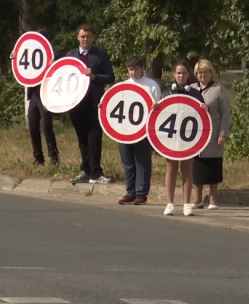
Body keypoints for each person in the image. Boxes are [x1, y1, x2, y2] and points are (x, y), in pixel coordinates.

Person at [105, 56, 161, 205]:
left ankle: (141, 193)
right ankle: (130, 192)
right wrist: (103, 107)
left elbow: (158, 107)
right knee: (128, 162)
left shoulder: (151, 85)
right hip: (124, 130)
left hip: (143, 130)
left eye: (136, 69)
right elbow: (114, 104)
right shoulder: (123, 85)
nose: (133, 72)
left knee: (142, 162)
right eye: (130, 69)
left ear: (142, 68)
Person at [154, 60, 207, 216]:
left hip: (188, 137)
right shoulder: (166, 93)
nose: (181, 76)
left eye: (184, 73)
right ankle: (169, 203)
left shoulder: (195, 94)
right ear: (173, 74)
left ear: (188, 74)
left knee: (187, 169)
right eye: (178, 73)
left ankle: (186, 204)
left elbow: (202, 118)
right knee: (171, 168)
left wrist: (204, 109)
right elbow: (160, 116)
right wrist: (156, 108)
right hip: (170, 136)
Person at [66, 24, 115, 184]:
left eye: (88, 36)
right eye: (82, 37)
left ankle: (96, 172)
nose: (85, 39)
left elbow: (110, 77)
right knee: (82, 138)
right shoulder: (70, 56)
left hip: (95, 102)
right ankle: (85, 170)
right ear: (77, 38)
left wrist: (94, 77)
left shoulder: (100, 55)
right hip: (76, 103)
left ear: (93, 38)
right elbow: (61, 78)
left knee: (95, 137)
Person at [10, 28, 60, 166]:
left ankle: (54, 156)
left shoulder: (52, 53)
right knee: (32, 126)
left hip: (46, 93)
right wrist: (15, 57)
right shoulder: (32, 50)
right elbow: (22, 62)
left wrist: (53, 62)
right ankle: (38, 157)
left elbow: (59, 64)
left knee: (46, 126)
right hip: (33, 93)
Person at [190, 59, 232, 210]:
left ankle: (213, 200)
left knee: (213, 166)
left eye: (205, 72)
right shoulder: (191, 89)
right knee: (196, 167)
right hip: (194, 137)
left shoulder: (218, 89)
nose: (203, 75)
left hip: (213, 136)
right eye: (200, 73)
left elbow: (226, 114)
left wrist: (222, 134)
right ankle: (197, 199)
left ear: (211, 73)